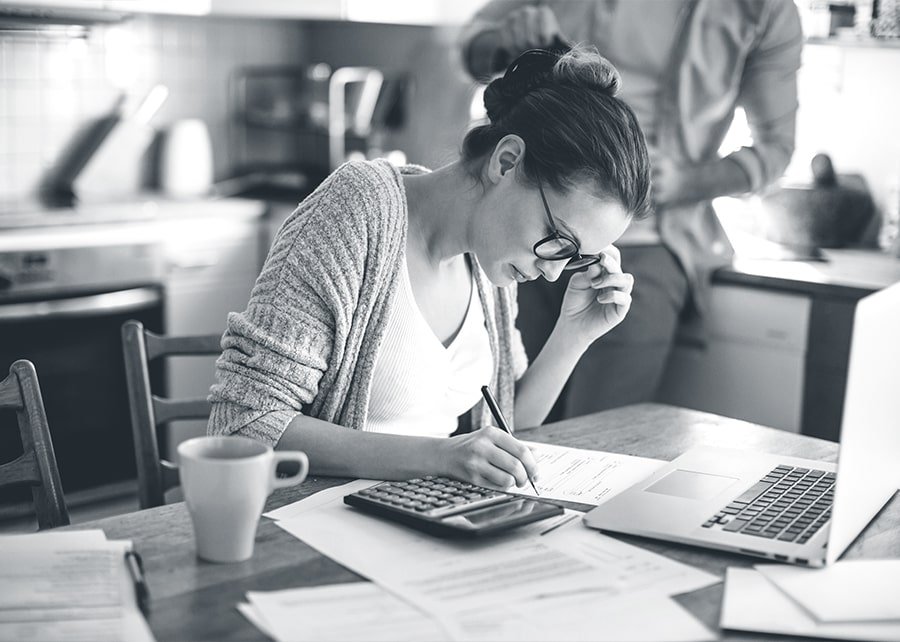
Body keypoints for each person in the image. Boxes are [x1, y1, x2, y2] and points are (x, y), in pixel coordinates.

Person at [208, 45, 651, 490]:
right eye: (558, 240)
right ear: (507, 162)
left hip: (420, 521)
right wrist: (438, 457)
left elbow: (509, 424)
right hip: (316, 529)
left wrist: (574, 333)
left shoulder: (491, 262)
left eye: (575, 256)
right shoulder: (357, 210)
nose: (554, 272)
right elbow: (246, 423)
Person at [460, 0, 803, 418]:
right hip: (525, 212)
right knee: (489, 422)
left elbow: (776, 150)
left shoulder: (762, 9)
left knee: (595, 442)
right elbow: (473, 48)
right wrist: (503, 41)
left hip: (647, 245)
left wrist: (687, 181)